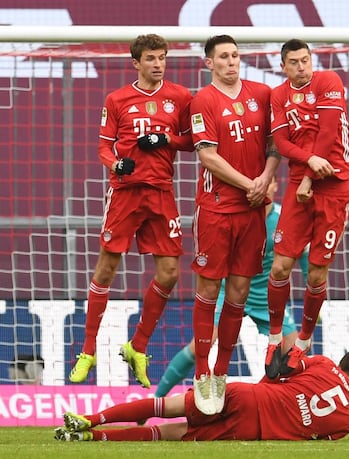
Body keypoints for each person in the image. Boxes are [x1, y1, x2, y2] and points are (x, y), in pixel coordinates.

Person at [69, 34, 194, 388]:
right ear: (136, 63)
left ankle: (137, 346)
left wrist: (167, 139)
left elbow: (192, 140)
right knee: (106, 267)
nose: (158, 64)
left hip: (161, 193)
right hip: (125, 194)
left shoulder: (180, 97)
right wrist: (116, 165)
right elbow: (104, 147)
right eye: (151, 58)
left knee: (170, 272)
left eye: (163, 58)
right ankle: (88, 350)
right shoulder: (118, 99)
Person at [188, 35, 280, 415]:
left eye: (235, 55)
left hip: (252, 214)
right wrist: (251, 185)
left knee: (239, 293)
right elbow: (208, 158)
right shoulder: (203, 101)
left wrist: (267, 178)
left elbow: (276, 145)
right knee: (209, 288)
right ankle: (201, 371)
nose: (231, 62)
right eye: (223, 57)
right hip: (216, 210)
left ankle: (222, 373)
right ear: (209, 63)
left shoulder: (263, 93)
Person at [154, 178, 308, 398]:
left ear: (274, 186)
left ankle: (283, 406)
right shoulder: (240, 215)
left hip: (266, 297)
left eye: (268, 183)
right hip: (230, 290)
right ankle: (158, 398)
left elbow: (302, 254)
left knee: (293, 354)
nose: (264, 187)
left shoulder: (284, 219)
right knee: (200, 347)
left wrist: (312, 293)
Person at [262, 39, 349, 379]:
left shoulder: (328, 81)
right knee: (280, 267)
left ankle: (302, 342)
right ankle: (274, 339)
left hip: (333, 184)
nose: (302, 67)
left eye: (306, 60)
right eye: (294, 62)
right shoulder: (278, 95)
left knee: (316, 273)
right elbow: (282, 143)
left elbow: (329, 135)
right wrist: (308, 165)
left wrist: (309, 178)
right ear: (284, 67)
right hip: (301, 181)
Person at [54, 351, 349, 442]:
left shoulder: (323, 364)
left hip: (247, 395)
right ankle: (94, 439)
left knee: (166, 406)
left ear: (341, 365)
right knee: (169, 434)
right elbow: (317, 441)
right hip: (253, 429)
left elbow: (281, 371)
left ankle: (90, 419)